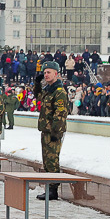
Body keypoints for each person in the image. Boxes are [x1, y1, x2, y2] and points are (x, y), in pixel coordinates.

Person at [34, 61, 68, 201]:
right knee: (47, 161)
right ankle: (49, 187)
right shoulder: (48, 90)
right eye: (45, 72)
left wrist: (55, 132)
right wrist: (37, 83)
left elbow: (60, 114)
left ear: (56, 74)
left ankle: (53, 190)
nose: (46, 75)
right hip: (46, 130)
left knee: (52, 160)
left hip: (53, 132)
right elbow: (38, 96)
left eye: (49, 72)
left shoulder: (59, 92)